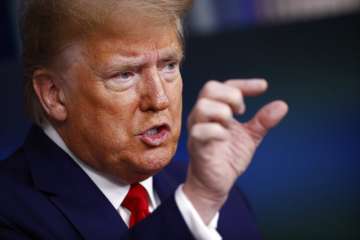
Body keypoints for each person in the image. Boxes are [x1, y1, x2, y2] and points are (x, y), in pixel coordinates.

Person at [0, 0, 288, 239]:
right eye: (125, 74)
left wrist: (201, 199)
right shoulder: (9, 213)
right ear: (54, 94)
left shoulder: (221, 197)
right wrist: (195, 206)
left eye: (169, 66)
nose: (159, 99)